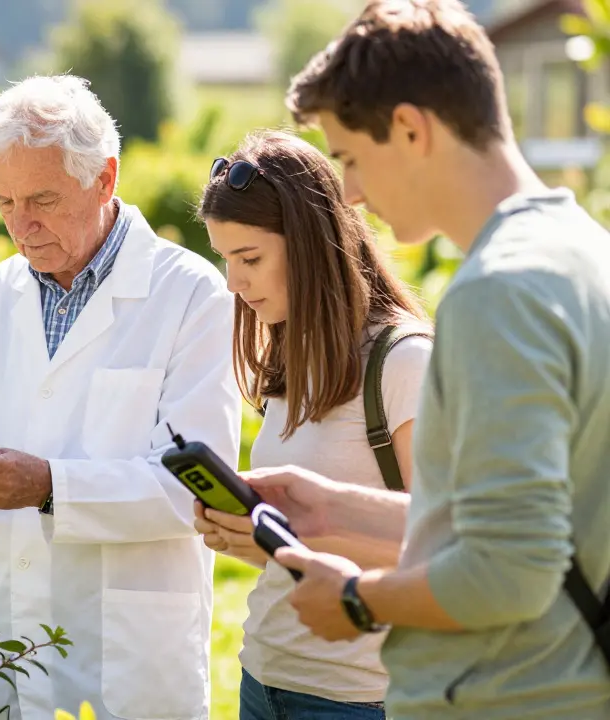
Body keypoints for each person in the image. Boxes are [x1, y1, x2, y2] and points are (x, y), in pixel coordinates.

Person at [244, 1, 610, 718]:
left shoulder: (496, 292)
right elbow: (523, 519)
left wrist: (354, 599)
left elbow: (509, 571)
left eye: (349, 156)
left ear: (411, 128)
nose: (348, 191)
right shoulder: (583, 252)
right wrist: (335, 504)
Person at [0, 74, 243, 720]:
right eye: (3, 202)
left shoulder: (191, 296)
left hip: (128, 665)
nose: (20, 226)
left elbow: (197, 490)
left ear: (105, 179)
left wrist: (50, 486)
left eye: (42, 200)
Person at [194, 129, 432, 720]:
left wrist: (292, 536)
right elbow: (308, 552)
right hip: (263, 678)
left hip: (360, 698)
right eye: (226, 259)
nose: (233, 283)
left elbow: (444, 550)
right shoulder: (295, 356)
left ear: (310, 246)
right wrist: (247, 538)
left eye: (250, 259)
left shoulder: (405, 363)